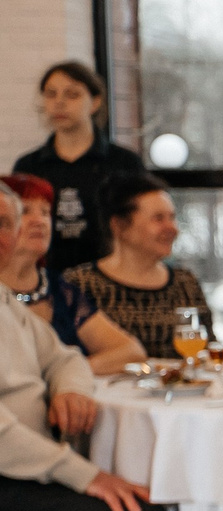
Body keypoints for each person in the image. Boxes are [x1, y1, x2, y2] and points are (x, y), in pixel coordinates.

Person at [0, 183, 196, 511]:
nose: (4, 235)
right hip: (8, 478)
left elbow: (63, 356)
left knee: (141, 500)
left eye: (7, 223)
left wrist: (67, 387)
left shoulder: (5, 302)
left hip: (28, 467)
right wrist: (86, 476)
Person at [14, 61, 149, 275]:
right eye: (51, 94)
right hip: (48, 278)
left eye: (72, 94)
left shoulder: (124, 163)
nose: (59, 102)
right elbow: (17, 230)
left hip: (112, 277)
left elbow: (142, 225)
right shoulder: (29, 166)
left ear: (94, 102)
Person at [0, 176, 145, 374]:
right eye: (25, 211)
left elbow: (131, 351)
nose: (40, 221)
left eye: (45, 212)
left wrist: (70, 374)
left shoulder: (60, 289)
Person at [62, 173, 210, 363]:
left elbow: (206, 355)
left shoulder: (185, 283)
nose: (171, 228)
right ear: (118, 226)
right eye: (158, 219)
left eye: (172, 217)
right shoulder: (80, 285)